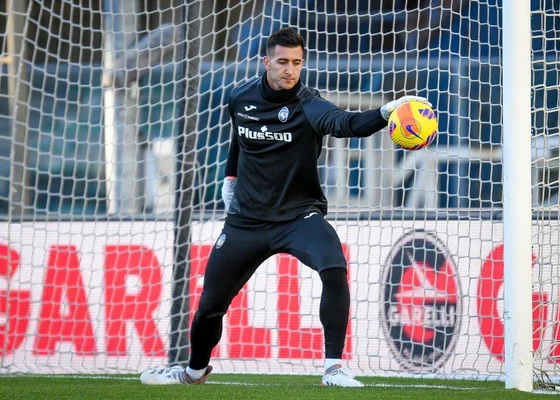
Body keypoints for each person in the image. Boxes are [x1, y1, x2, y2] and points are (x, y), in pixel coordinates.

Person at [140, 27, 429, 387]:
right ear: (266, 62)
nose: (290, 70)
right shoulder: (240, 98)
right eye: (282, 62)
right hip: (246, 221)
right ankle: (193, 371)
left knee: (334, 267)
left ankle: (334, 368)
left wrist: (386, 112)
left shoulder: (309, 104)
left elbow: (345, 124)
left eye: (296, 62)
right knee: (211, 304)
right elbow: (240, 138)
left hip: (298, 217)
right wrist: (230, 177)